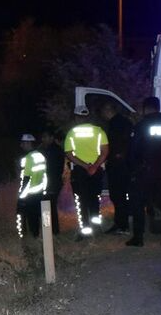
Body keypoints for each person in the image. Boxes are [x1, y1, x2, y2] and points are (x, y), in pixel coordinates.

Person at [64, 116, 109, 239]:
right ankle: (97, 228)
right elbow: (105, 151)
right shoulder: (98, 131)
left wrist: (84, 166)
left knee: (82, 200)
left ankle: (85, 229)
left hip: (79, 170)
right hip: (96, 169)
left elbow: (69, 153)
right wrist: (94, 166)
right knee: (94, 198)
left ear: (77, 118)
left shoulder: (72, 132)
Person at [127, 97, 161, 246]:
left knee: (138, 203)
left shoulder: (141, 126)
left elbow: (133, 151)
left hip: (145, 171)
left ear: (145, 108)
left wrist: (133, 171)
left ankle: (138, 238)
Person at [101, 102, 133, 235]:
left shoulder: (116, 123)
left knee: (118, 195)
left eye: (104, 112)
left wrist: (115, 156)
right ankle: (121, 223)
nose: (103, 115)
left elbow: (116, 144)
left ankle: (122, 225)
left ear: (109, 110)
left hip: (118, 165)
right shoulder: (124, 122)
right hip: (124, 164)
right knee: (119, 195)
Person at [17, 134, 48, 239]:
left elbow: (26, 178)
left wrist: (21, 196)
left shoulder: (28, 158)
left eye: (23, 143)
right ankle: (47, 236)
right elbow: (44, 174)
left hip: (30, 193)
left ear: (28, 143)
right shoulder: (41, 156)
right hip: (40, 191)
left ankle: (34, 237)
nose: (21, 145)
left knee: (31, 218)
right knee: (43, 216)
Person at [39, 128, 64, 235]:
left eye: (45, 137)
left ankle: (50, 230)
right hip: (50, 182)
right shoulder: (46, 149)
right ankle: (50, 230)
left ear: (51, 138)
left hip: (51, 183)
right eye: (42, 137)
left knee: (48, 207)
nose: (43, 139)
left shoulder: (54, 151)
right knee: (48, 207)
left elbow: (53, 169)